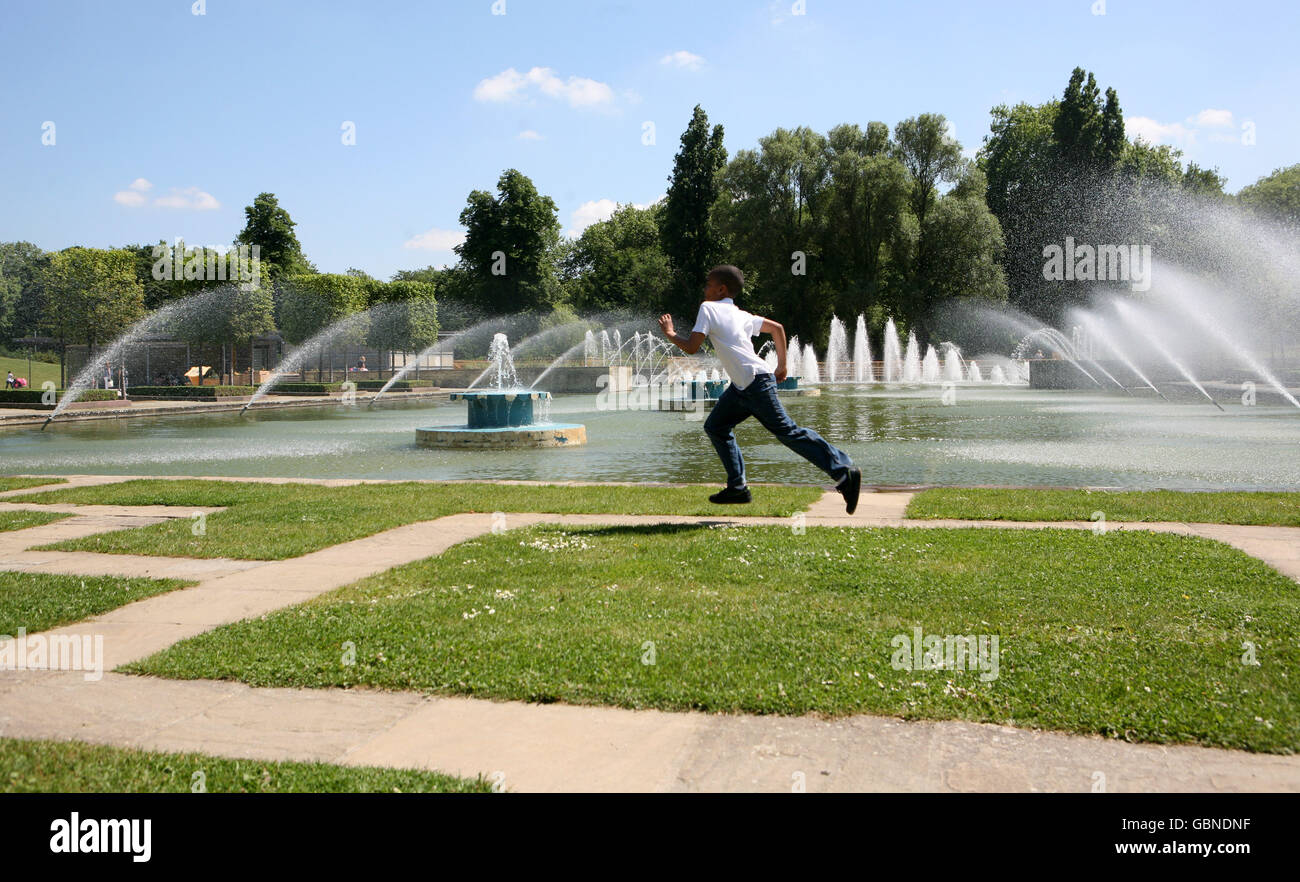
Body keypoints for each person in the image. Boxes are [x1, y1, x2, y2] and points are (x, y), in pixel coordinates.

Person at [658, 265, 861, 513]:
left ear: (721, 289)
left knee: (787, 431)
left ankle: (843, 471)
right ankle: (738, 487)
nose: (705, 288)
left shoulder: (707, 307)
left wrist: (670, 333)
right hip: (745, 385)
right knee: (716, 426)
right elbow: (778, 329)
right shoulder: (742, 315)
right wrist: (782, 366)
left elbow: (691, 347)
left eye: (709, 284)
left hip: (754, 382)